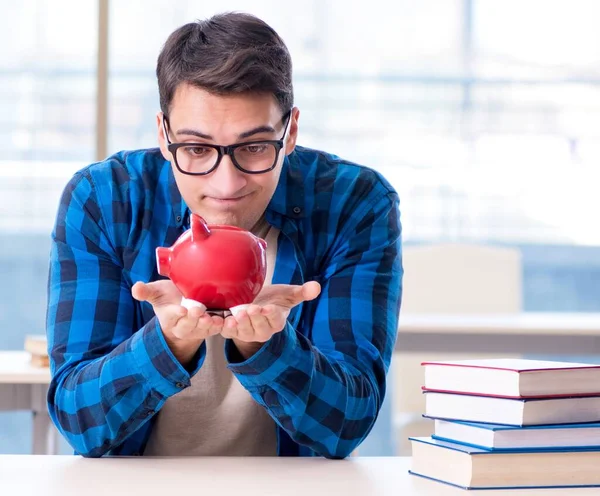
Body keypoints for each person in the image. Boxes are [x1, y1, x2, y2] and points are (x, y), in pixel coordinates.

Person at [46, 11, 402, 459]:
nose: (226, 185)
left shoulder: (353, 204)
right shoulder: (105, 200)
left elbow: (348, 423)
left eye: (254, 147)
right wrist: (169, 343)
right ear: (163, 134)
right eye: (196, 149)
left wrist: (268, 347)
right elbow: (79, 422)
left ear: (290, 132)